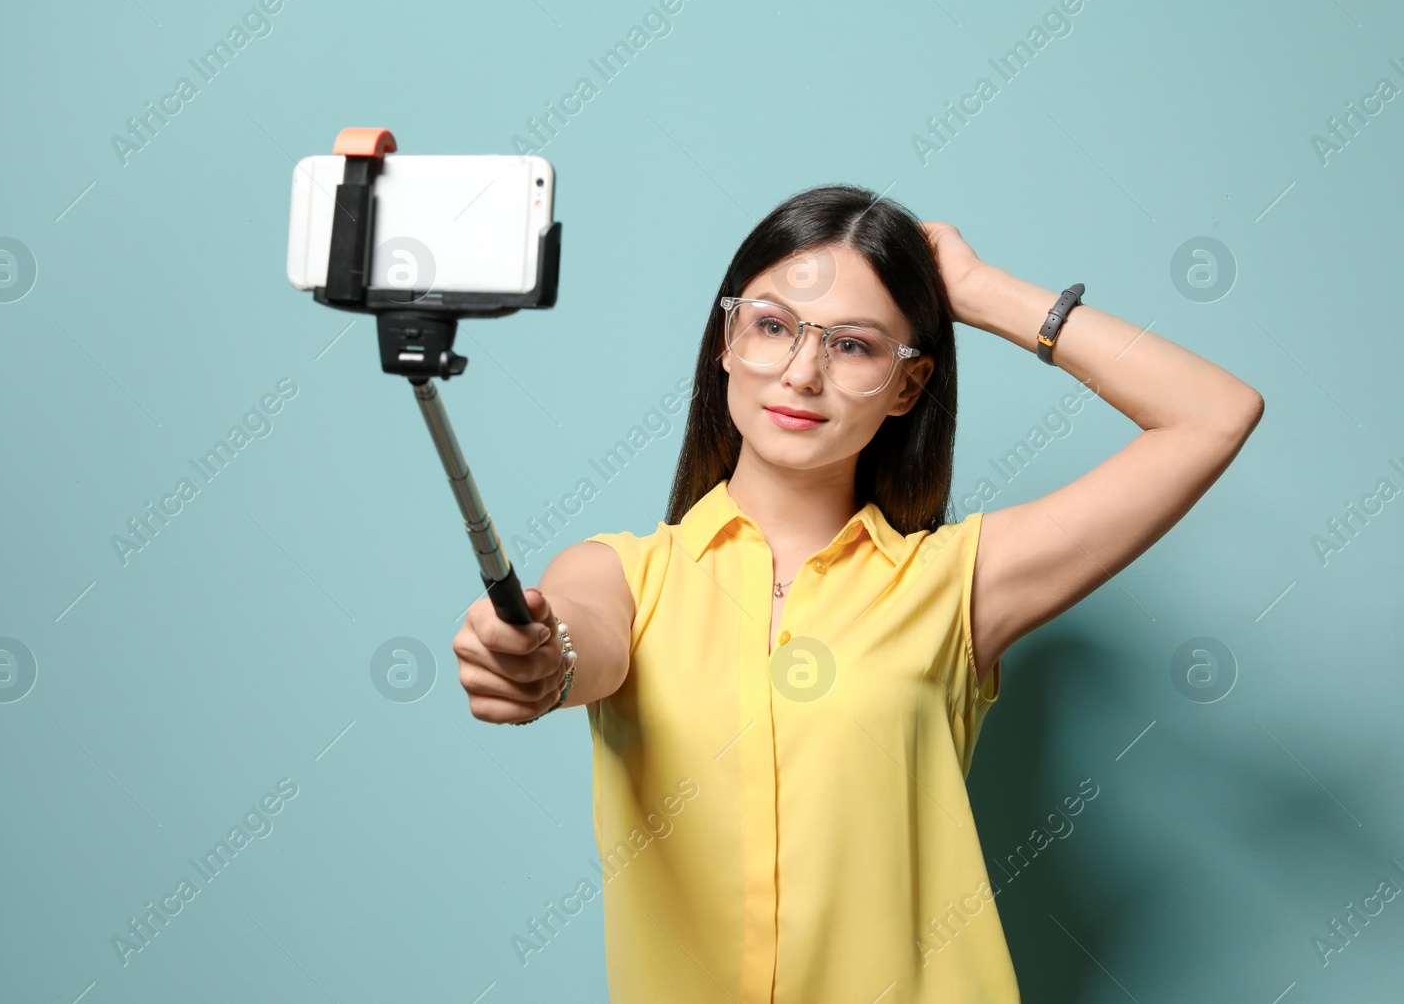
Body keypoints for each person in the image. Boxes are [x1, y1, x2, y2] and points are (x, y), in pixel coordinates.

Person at [451, 185, 1263, 1002]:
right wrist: (536, 659)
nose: (802, 373)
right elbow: (574, 643)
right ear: (727, 343)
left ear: (908, 387)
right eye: (771, 326)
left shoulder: (956, 585)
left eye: (854, 346)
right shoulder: (621, 573)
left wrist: (981, 293)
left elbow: (1213, 414)